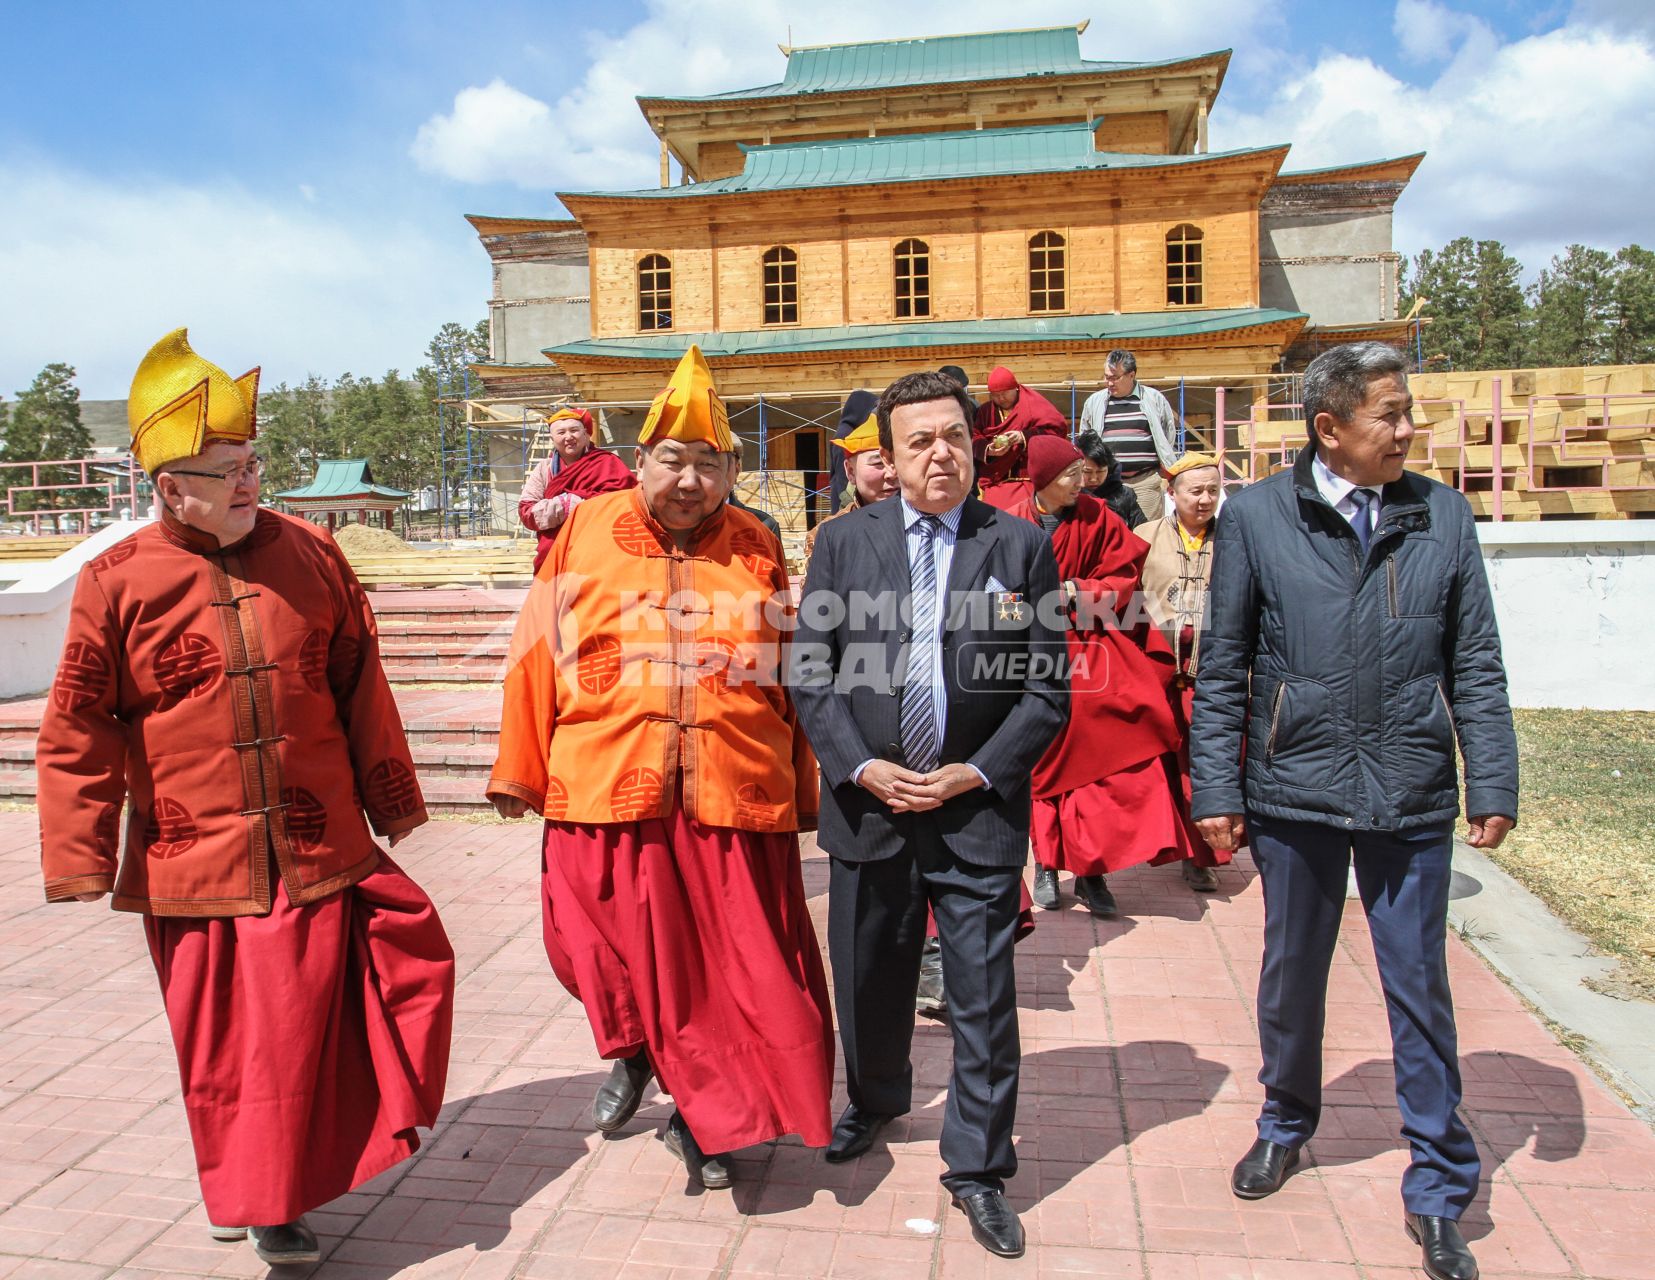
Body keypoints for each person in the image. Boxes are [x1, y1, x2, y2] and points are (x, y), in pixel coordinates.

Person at [36, 329, 455, 1267]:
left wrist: (391, 801)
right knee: (234, 1055)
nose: (248, 481)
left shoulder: (312, 555)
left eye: (252, 462)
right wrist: (78, 854)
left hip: (318, 842)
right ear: (166, 485)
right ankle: (266, 1201)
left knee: (399, 973)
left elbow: (361, 683)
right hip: (195, 859)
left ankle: (271, 1186)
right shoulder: (115, 580)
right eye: (225, 470)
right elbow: (78, 723)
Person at [1191, 342, 1518, 1280]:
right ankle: (1284, 1122)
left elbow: (1476, 662)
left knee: (1417, 984)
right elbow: (1222, 670)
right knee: (1291, 974)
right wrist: (1215, 790)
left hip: (1409, 789)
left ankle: (1438, 1186)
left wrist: (1489, 777)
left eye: (1407, 411)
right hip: (1293, 788)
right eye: (1390, 413)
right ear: (1329, 428)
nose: (1408, 429)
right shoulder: (1257, 517)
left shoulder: (1441, 516)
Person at [488, 344, 832, 1192]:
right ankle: (639, 1050)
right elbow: (537, 652)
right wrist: (518, 769)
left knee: (722, 974)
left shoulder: (756, 543)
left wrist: (803, 784)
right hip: (603, 784)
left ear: (729, 471)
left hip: (729, 790)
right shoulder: (583, 531)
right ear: (639, 462)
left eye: (707, 464)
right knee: (592, 954)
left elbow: (788, 668)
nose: (688, 480)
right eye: (671, 460)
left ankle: (703, 1115)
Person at [791, 369, 1068, 1259]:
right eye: (918, 441)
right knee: (869, 974)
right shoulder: (843, 544)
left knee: (984, 996)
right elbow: (811, 672)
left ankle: (978, 1168)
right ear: (890, 456)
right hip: (868, 805)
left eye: (952, 435)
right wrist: (863, 765)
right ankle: (872, 1102)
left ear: (975, 444)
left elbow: (1045, 691)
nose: (938, 453)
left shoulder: (1020, 546)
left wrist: (973, 774)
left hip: (972, 808)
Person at [982, 435, 1193, 918]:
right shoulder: (1009, 522)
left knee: (1112, 734)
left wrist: (1080, 589)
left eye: (1081, 472)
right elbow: (993, 589)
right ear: (1043, 480)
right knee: (1041, 757)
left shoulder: (1100, 517)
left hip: (1090, 638)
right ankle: (1048, 866)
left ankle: (1093, 872)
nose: (1082, 481)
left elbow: (1125, 576)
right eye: (1070, 475)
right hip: (1031, 647)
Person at [1138, 453, 1230, 892]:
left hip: (1211, 672)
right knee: (1155, 766)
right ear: (1171, 493)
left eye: (1213, 490)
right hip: (1156, 670)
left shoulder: (1233, 539)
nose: (1205, 499)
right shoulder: (1144, 536)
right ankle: (1158, 844)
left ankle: (1199, 856)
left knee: (1203, 766)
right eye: (1196, 490)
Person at [518, 406, 636, 573]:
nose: (568, 437)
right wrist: (567, 504)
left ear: (587, 434)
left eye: (574, 430)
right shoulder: (545, 469)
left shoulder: (607, 463)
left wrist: (573, 505)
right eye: (561, 432)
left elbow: (623, 501)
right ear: (552, 438)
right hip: (555, 551)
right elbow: (527, 512)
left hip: (600, 549)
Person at [1077, 349, 1182, 520]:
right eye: (1106, 377)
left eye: (1114, 377)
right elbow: (1086, 441)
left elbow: (1167, 435)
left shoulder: (1154, 399)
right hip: (1105, 484)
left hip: (1145, 483)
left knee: (1147, 535)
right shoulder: (1093, 402)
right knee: (1107, 535)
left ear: (1131, 375)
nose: (1109, 382)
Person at [805, 410, 897, 558]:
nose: (892, 473)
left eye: (897, 461)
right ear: (851, 472)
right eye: (879, 463)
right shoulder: (827, 536)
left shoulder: (929, 522)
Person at [970, 365, 1069, 487]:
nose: (1001, 398)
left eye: (1005, 393)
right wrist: (988, 450)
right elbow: (973, 436)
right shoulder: (985, 411)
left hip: (1030, 476)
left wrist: (1024, 436)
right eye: (995, 395)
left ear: (1015, 388)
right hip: (996, 479)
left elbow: (1057, 428)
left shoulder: (1033, 404)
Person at [1075, 429, 1148, 528]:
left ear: (1108, 469)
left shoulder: (1125, 495)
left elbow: (1142, 530)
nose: (1093, 478)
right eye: (1087, 472)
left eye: (1100, 471)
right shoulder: (1070, 497)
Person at [827, 388, 880, 513]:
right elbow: (842, 475)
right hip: (845, 495)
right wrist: (848, 503)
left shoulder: (845, 430)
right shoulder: (846, 435)